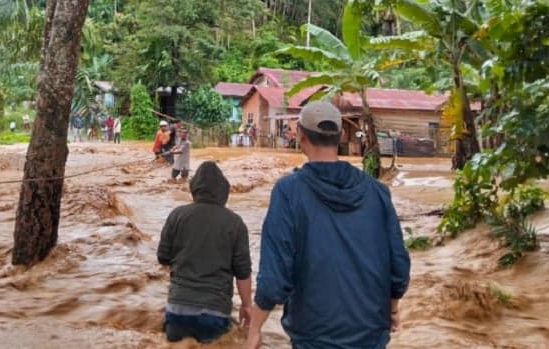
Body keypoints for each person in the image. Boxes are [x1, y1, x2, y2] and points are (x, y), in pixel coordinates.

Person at [244, 101, 410, 349]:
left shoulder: (289, 192)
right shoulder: (377, 192)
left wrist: (255, 328)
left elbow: (275, 276)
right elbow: (399, 263)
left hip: (313, 336)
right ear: (342, 136)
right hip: (371, 333)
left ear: (300, 135)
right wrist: (393, 307)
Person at [158, 161, 252, 343]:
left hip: (177, 310)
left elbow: (163, 258)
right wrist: (247, 305)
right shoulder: (235, 223)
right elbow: (243, 272)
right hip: (215, 313)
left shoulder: (176, 215)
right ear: (224, 191)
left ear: (194, 189)